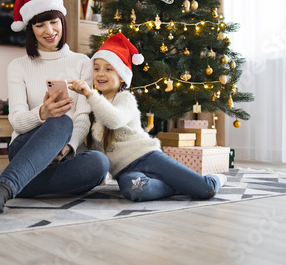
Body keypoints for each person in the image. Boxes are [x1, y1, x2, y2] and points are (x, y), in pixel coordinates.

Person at [0, 0, 109, 224]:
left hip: (62, 156)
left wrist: (67, 148)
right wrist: (42, 114)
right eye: (40, 24)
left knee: (98, 164)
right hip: (24, 147)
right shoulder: (18, 66)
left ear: (62, 21)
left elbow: (83, 117)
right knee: (60, 121)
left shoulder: (82, 63)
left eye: (54, 21)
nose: (49, 30)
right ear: (30, 28)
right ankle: (0, 195)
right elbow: (16, 120)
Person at [69, 33, 227, 202]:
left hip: (148, 157)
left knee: (206, 190)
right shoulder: (93, 106)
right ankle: (175, 187)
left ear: (122, 75)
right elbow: (95, 149)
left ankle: (215, 179)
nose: (100, 74)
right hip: (126, 171)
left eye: (108, 69)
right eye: (96, 68)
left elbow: (114, 120)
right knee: (137, 191)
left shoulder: (124, 98)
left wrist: (89, 94)